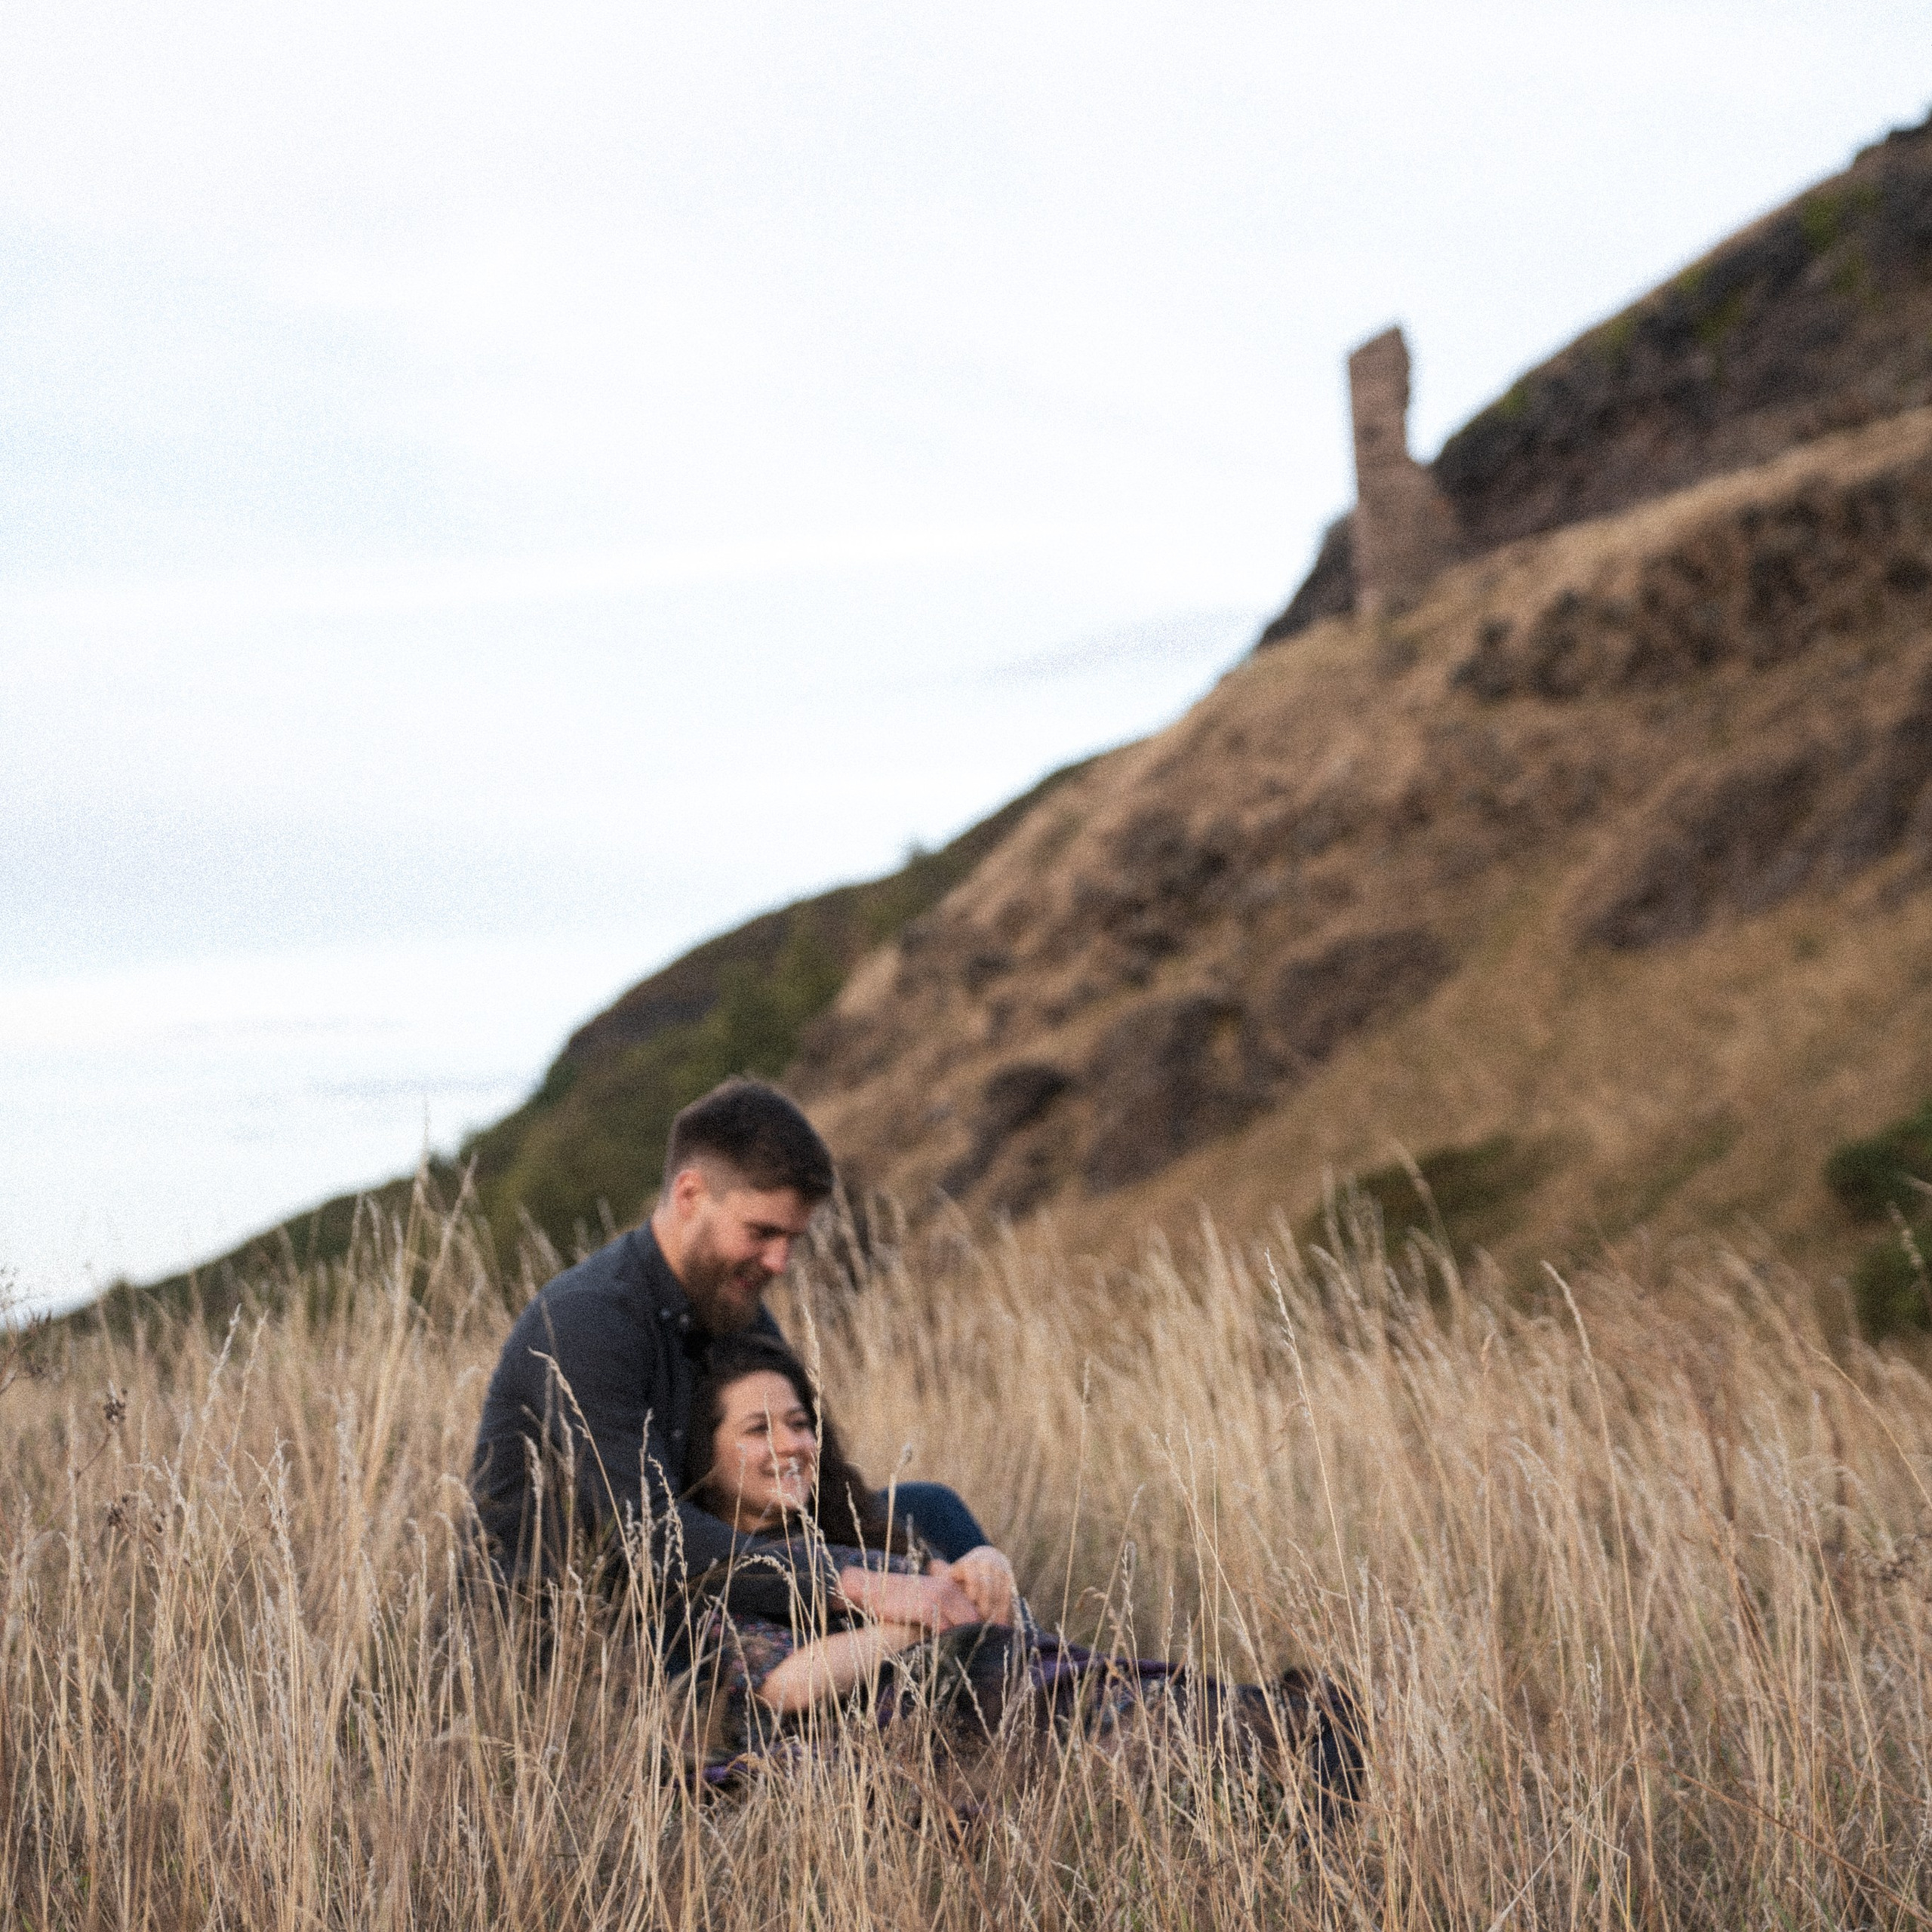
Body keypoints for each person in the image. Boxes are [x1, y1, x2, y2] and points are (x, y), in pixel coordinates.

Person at [670, 1333, 1367, 1816]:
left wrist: (983, 1565)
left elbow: (991, 1613)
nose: (792, 1445)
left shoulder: (866, 1529)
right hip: (929, 1728)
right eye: (759, 1430)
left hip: (1024, 1682)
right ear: (708, 1451)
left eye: (800, 1423)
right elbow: (783, 1687)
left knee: (1257, 1725)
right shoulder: (712, 1575)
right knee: (1174, 1753)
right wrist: (913, 1617)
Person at [467, 1077, 994, 1634]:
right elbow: (650, 1536)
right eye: (762, 1232)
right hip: (595, 1614)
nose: (779, 1262)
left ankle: (1035, 1673)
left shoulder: (733, 1301)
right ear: (691, 1196)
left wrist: (927, 1563)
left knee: (928, 1512)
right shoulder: (587, 1320)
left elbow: (815, 1485)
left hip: (714, 1567)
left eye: (793, 1239)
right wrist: (863, 1581)